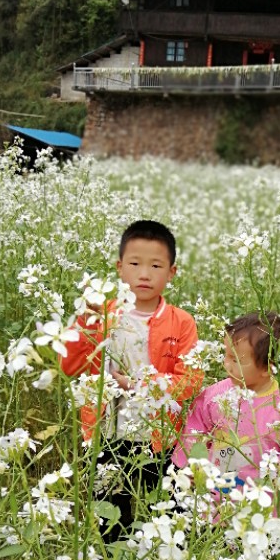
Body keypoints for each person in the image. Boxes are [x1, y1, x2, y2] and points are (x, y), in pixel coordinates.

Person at [60, 219, 200, 537]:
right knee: (110, 517)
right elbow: (68, 366)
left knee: (163, 513)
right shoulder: (103, 314)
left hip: (159, 437)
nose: (144, 274)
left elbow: (190, 380)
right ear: (120, 268)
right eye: (135, 264)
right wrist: (85, 318)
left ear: (171, 272)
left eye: (156, 265)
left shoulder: (182, 322)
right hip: (106, 433)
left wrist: (137, 385)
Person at [172, 311, 280, 506]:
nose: (227, 365)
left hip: (261, 503)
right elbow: (195, 431)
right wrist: (191, 466)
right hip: (212, 499)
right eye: (227, 355)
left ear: (269, 367)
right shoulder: (213, 396)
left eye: (237, 360)